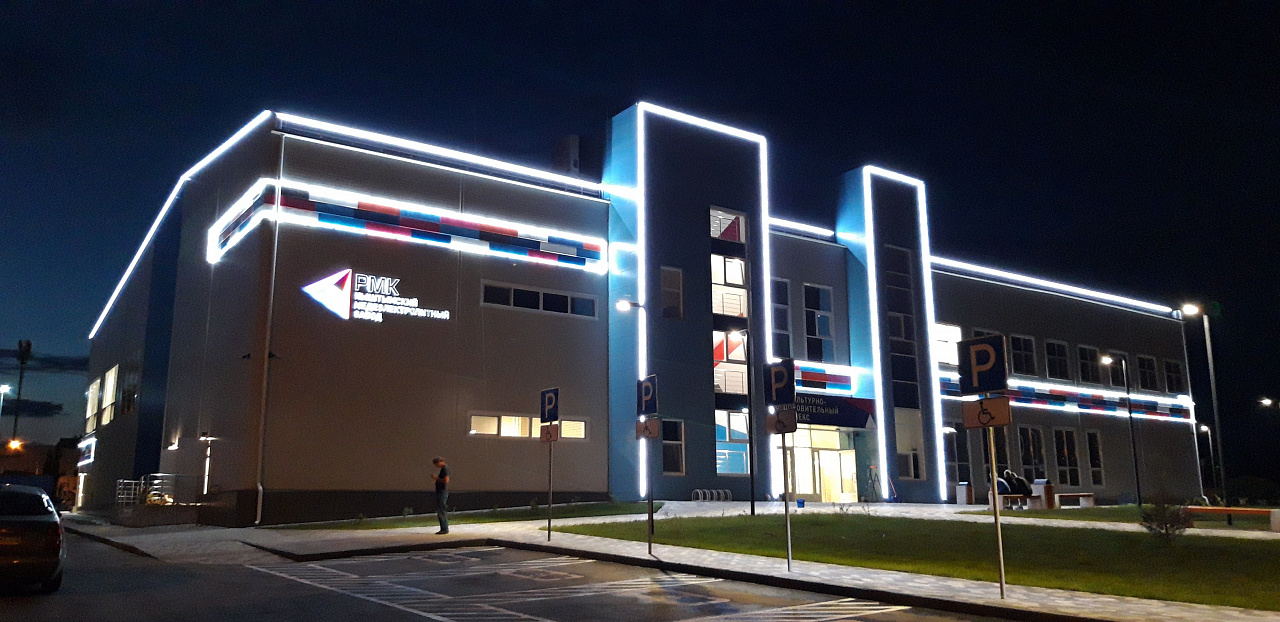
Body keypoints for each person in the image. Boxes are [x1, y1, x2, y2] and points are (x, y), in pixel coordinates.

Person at [431, 457, 450, 534]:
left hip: (442, 492)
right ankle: (444, 528)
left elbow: (446, 480)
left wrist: (436, 478)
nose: (436, 466)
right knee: (441, 509)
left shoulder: (445, 468)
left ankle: (444, 528)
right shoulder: (444, 468)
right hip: (441, 491)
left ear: (439, 462)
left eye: (436, 464)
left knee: (441, 510)